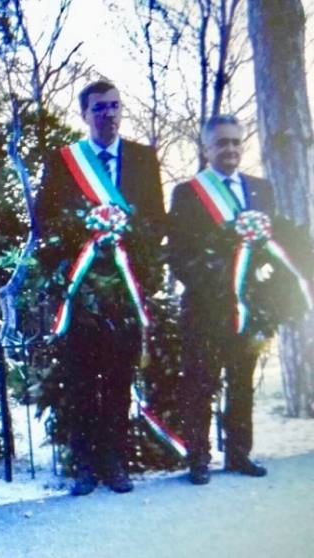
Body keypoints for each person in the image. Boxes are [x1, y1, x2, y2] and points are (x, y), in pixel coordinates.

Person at [34, 80, 166, 496]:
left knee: (119, 379)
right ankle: (85, 467)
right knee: (81, 381)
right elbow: (45, 220)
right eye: (99, 108)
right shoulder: (64, 162)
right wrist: (81, 243)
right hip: (83, 290)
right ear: (84, 114)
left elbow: (157, 221)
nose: (108, 114)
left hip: (125, 288)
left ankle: (115, 463)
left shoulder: (143, 159)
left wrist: (133, 248)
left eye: (114, 106)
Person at [168, 114, 274, 485]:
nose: (230, 149)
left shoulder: (261, 189)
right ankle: (198, 458)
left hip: (248, 304)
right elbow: (178, 254)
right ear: (206, 148)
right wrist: (213, 285)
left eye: (235, 142)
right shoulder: (188, 193)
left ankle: (239, 453)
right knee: (201, 382)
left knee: (242, 380)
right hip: (206, 306)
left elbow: (271, 247)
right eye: (221, 143)